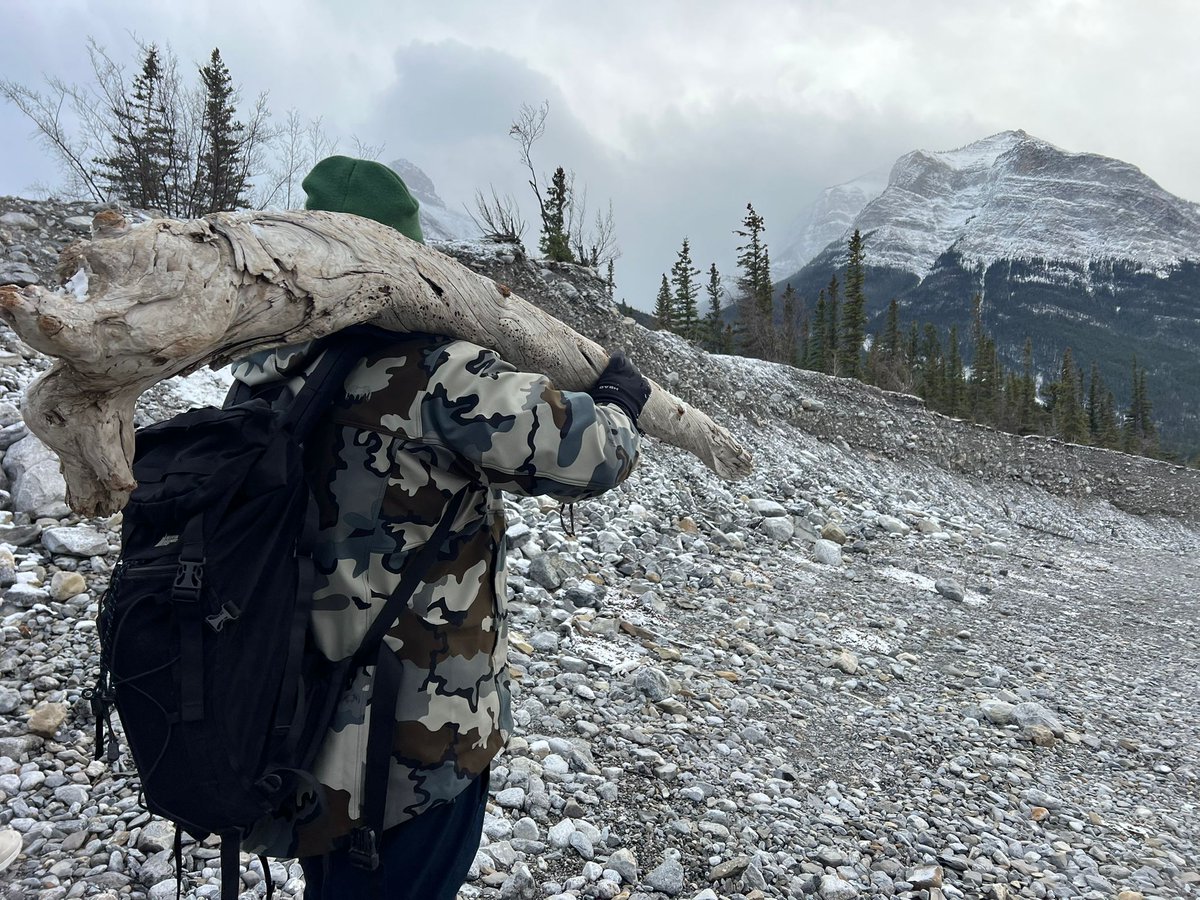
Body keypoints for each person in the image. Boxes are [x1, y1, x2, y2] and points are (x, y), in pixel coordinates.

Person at [232, 156, 649, 899]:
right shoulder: (435, 372)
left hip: (288, 714)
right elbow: (591, 456)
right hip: (415, 736)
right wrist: (619, 401)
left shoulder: (266, 368)